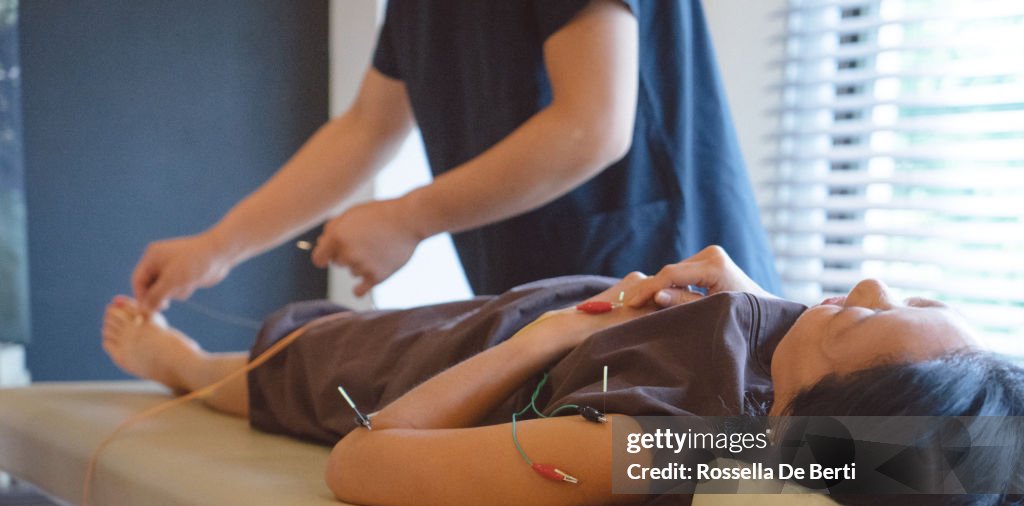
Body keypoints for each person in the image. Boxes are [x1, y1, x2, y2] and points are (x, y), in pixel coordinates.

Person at [104, 246, 1024, 506]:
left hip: (465, 364)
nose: (862, 290)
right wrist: (748, 305)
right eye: (914, 297)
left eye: (858, 325)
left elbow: (363, 458)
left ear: (798, 426)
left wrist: (556, 334)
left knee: (307, 364)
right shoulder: (837, 426)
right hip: (522, 326)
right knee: (327, 339)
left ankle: (187, 368)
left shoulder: (689, 450)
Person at [129, 0, 780, 313]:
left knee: (770, 474)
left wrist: (407, 218)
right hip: (552, 318)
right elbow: (366, 127)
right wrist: (216, 247)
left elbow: (592, 125)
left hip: (679, 298)